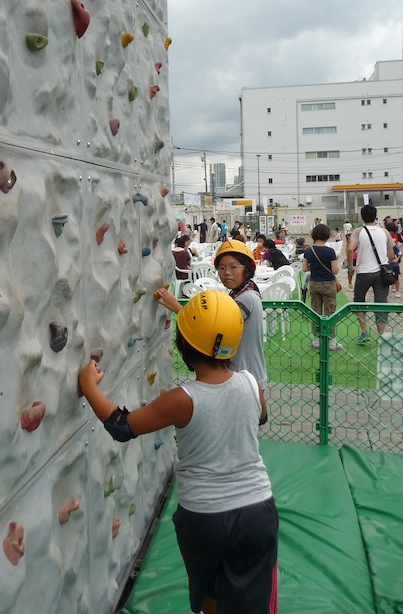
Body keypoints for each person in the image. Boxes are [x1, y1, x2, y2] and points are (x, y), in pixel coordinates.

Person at [78, 290, 278, 614]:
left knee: (209, 593)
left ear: (184, 345)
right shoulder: (251, 384)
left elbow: (121, 427)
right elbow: (261, 416)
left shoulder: (182, 399)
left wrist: (88, 386)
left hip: (204, 515)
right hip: (257, 509)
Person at [212, 240, 267, 390]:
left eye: (233, 267)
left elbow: (214, 328)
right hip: (243, 377)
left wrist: (178, 309)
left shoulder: (247, 298)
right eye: (222, 268)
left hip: (247, 380)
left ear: (247, 270)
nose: (226, 272)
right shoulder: (239, 294)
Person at [346, 204, 395, 343]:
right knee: (381, 302)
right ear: (375, 216)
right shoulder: (384, 232)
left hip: (364, 272)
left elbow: (350, 249)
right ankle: (381, 335)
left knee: (359, 300)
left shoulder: (358, 231)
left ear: (361, 217)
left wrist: (351, 267)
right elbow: (391, 256)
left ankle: (364, 332)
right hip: (382, 272)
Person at [302, 223, 341, 350]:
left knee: (316, 311)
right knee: (330, 311)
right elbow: (335, 270)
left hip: (314, 283)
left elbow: (304, 268)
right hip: (328, 283)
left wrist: (314, 267)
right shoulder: (330, 251)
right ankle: (331, 340)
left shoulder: (308, 250)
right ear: (327, 236)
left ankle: (317, 339)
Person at [385, 222, 401, 298]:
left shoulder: (394, 246)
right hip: (386, 263)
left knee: (396, 278)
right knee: (385, 277)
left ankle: (397, 290)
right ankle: (386, 290)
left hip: (394, 264)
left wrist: (397, 259)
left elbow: (400, 253)